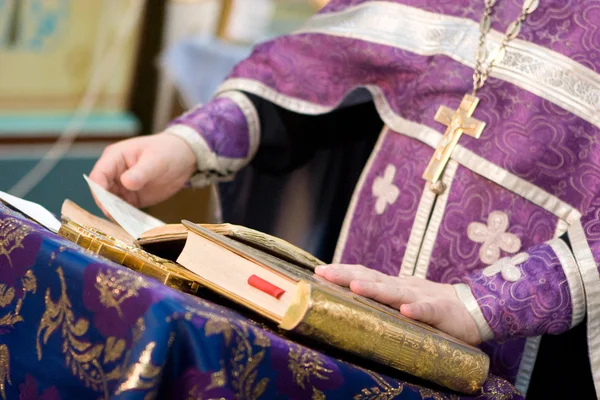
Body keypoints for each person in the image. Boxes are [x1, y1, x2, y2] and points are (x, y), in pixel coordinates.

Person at [90, 0, 600, 397]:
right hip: (349, 302)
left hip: (539, 352)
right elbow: (314, 73)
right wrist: (192, 142)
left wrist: (487, 303)